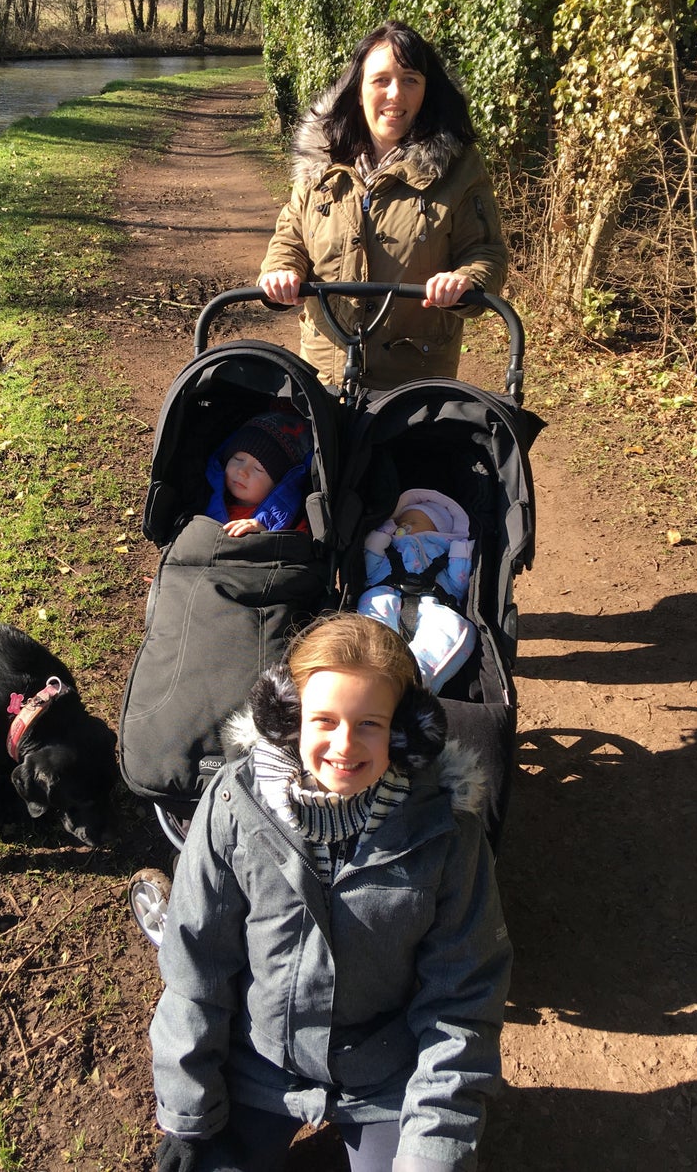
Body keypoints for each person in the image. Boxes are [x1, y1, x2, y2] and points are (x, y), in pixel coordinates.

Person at [150, 612, 511, 1172]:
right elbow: (196, 965)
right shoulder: (233, 806)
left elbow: (461, 1001)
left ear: (408, 731)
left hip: (384, 1074)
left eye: (370, 723)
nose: (345, 745)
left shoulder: (447, 832)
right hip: (256, 1062)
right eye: (325, 720)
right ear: (287, 718)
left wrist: (434, 1146)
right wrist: (189, 1110)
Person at [259, 21, 509, 389]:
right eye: (381, 80)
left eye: (410, 80)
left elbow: (485, 250)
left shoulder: (459, 169)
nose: (396, 94)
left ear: (426, 91)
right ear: (359, 90)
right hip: (325, 378)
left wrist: (464, 279)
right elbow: (291, 237)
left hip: (415, 387)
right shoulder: (320, 163)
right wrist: (281, 270)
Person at [359, 488, 478, 692]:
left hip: (433, 603)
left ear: (437, 530)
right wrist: (380, 536)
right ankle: (373, 664)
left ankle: (419, 673)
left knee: (456, 626)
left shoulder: (441, 550)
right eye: (400, 522)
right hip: (386, 593)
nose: (403, 526)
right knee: (373, 607)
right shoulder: (391, 547)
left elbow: (458, 583)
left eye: (413, 523)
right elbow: (370, 568)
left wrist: (460, 552)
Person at [205, 411, 313, 537]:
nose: (242, 471)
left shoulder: (292, 520)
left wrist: (267, 532)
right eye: (238, 459)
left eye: (258, 469)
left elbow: (301, 548)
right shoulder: (204, 497)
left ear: (278, 484)